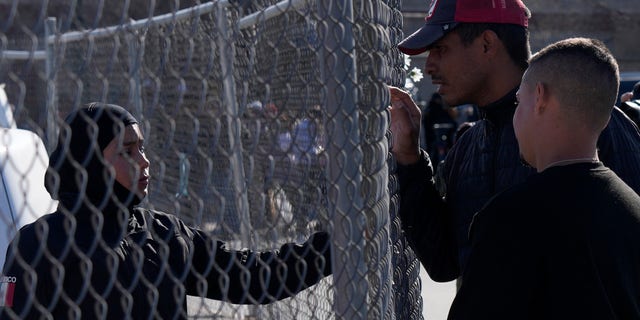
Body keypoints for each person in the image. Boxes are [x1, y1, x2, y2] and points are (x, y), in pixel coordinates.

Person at [1, 103, 332, 319]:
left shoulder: (164, 234)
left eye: (142, 147)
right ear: (90, 163)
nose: (144, 161)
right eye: (127, 151)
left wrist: (335, 245)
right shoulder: (39, 246)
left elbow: (255, 277)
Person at [388, 0, 640, 283]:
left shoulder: (590, 121)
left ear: (486, 44)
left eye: (440, 49)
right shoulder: (469, 145)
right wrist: (410, 159)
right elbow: (444, 262)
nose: (429, 66)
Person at [448, 37, 640, 320]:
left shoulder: (509, 218)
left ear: (540, 97)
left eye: (518, 102)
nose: (515, 115)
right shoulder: (632, 207)